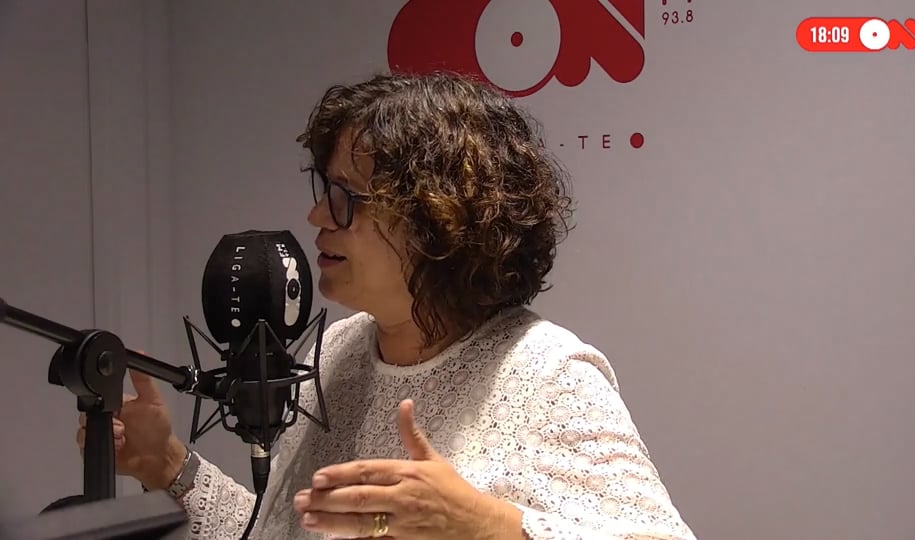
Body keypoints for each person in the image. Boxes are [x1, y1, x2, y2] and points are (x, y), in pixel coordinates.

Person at [76, 71, 697, 540]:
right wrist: (171, 467)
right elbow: (281, 532)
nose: (317, 216)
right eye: (323, 190)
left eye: (345, 196)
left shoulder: (549, 374)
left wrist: (486, 529)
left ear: (438, 217)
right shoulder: (339, 349)